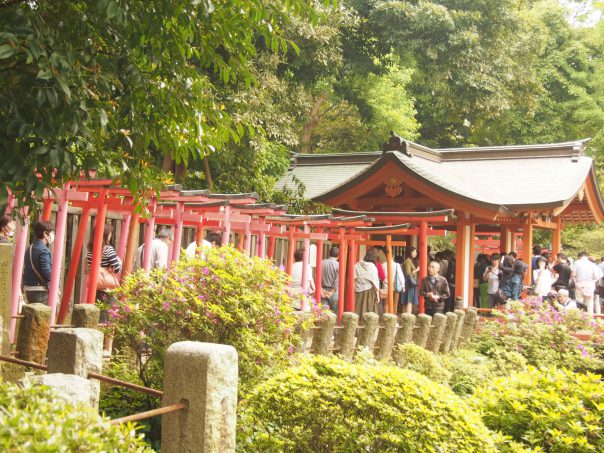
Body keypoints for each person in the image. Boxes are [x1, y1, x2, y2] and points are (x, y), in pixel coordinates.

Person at [22, 221, 55, 305]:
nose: (53, 236)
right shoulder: (44, 250)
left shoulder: (29, 248)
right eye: (52, 233)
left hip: (28, 287)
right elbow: (47, 272)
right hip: (40, 289)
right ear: (45, 234)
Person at [354, 249, 380, 320]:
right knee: (369, 312)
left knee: (358, 311)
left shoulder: (357, 265)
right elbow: (375, 282)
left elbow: (353, 278)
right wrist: (377, 294)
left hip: (358, 290)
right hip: (369, 291)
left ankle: (357, 329)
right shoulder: (373, 267)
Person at [320, 246, 339, 313]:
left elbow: (317, 277)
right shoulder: (338, 265)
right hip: (334, 292)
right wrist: (331, 292)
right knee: (334, 314)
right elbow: (337, 281)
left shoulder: (321, 262)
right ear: (338, 256)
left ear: (329, 253)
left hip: (323, 290)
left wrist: (321, 289)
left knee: (323, 313)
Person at [401, 247, 419, 314]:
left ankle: (404, 316)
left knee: (405, 300)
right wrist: (416, 270)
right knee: (409, 300)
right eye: (414, 252)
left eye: (416, 252)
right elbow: (408, 273)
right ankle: (408, 316)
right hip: (409, 282)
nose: (415, 253)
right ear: (410, 252)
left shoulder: (408, 260)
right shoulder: (408, 261)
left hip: (407, 282)